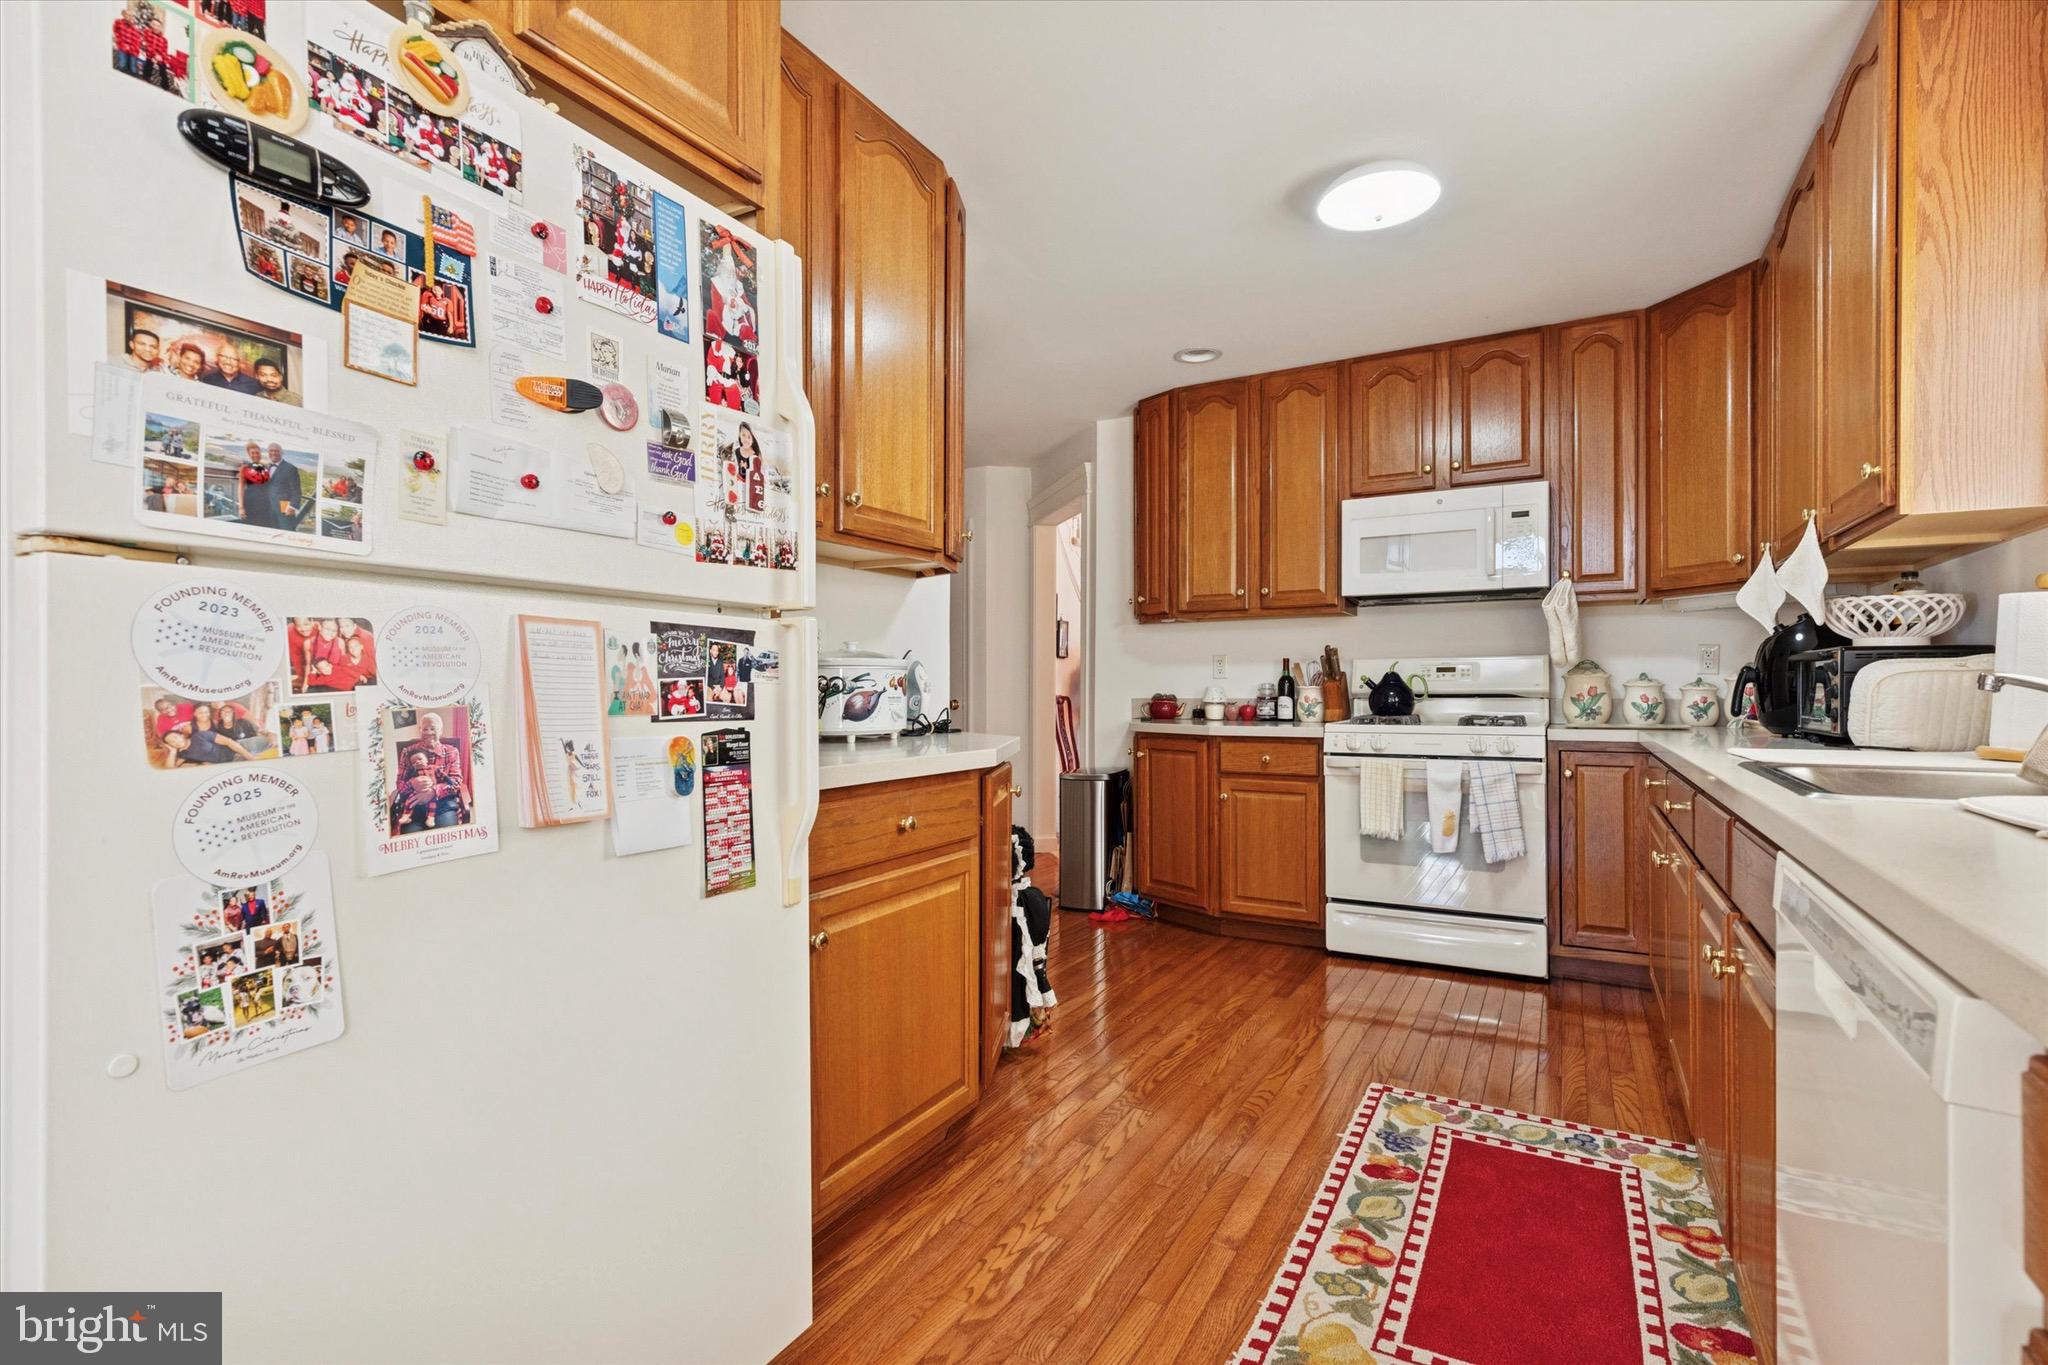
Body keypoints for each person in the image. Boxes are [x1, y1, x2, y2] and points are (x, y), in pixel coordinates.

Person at [394, 711, 470, 831]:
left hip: (443, 806)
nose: (428, 732)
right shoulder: (408, 751)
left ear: (440, 730)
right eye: (425, 729)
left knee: (447, 835)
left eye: (433, 728)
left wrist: (434, 791)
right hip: (414, 807)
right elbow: (399, 785)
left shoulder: (451, 751)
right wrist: (411, 784)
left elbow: (455, 782)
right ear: (420, 730)